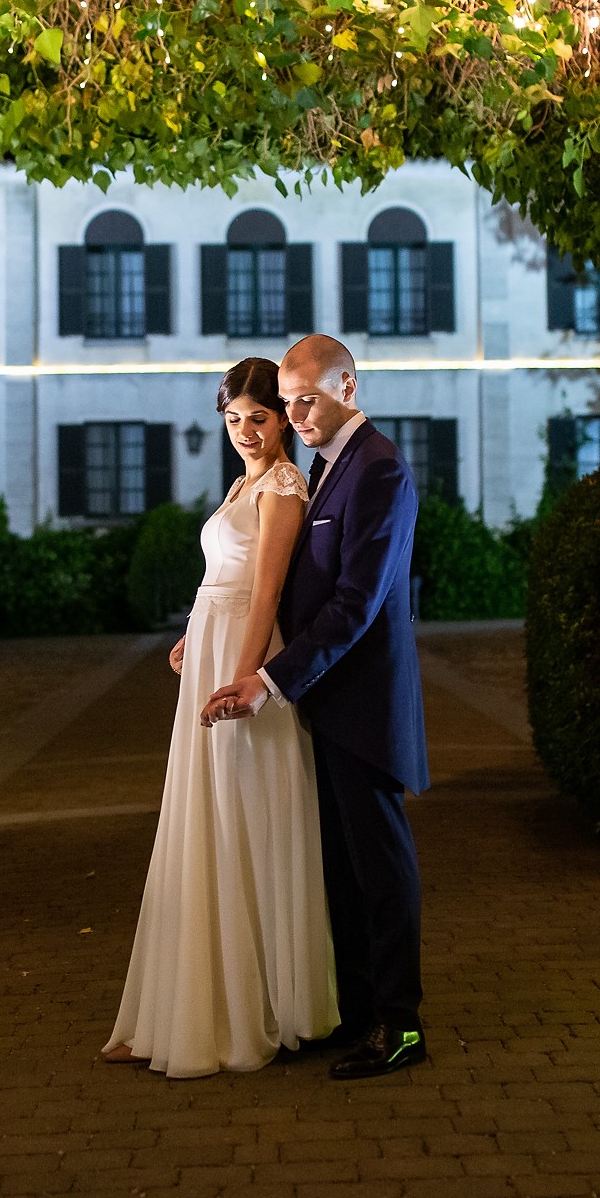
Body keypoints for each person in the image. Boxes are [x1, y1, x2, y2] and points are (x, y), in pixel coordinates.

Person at [103, 357, 341, 1077]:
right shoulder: (244, 482)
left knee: (247, 818)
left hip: (244, 660)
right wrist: (192, 634)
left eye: (258, 418)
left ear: (282, 421)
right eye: (233, 418)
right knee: (206, 815)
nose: (244, 431)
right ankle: (188, 1002)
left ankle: (262, 1004)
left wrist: (244, 679)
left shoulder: (284, 486)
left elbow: (265, 593)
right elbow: (223, 579)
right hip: (211, 648)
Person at [204, 335, 431, 1081]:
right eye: (289, 400)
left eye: (309, 399)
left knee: (379, 867)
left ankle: (400, 1025)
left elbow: (356, 604)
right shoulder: (336, 467)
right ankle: (362, 1014)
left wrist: (268, 678)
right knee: (342, 870)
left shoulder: (380, 468)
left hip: (363, 706)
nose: (296, 413)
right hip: (327, 703)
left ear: (349, 388)